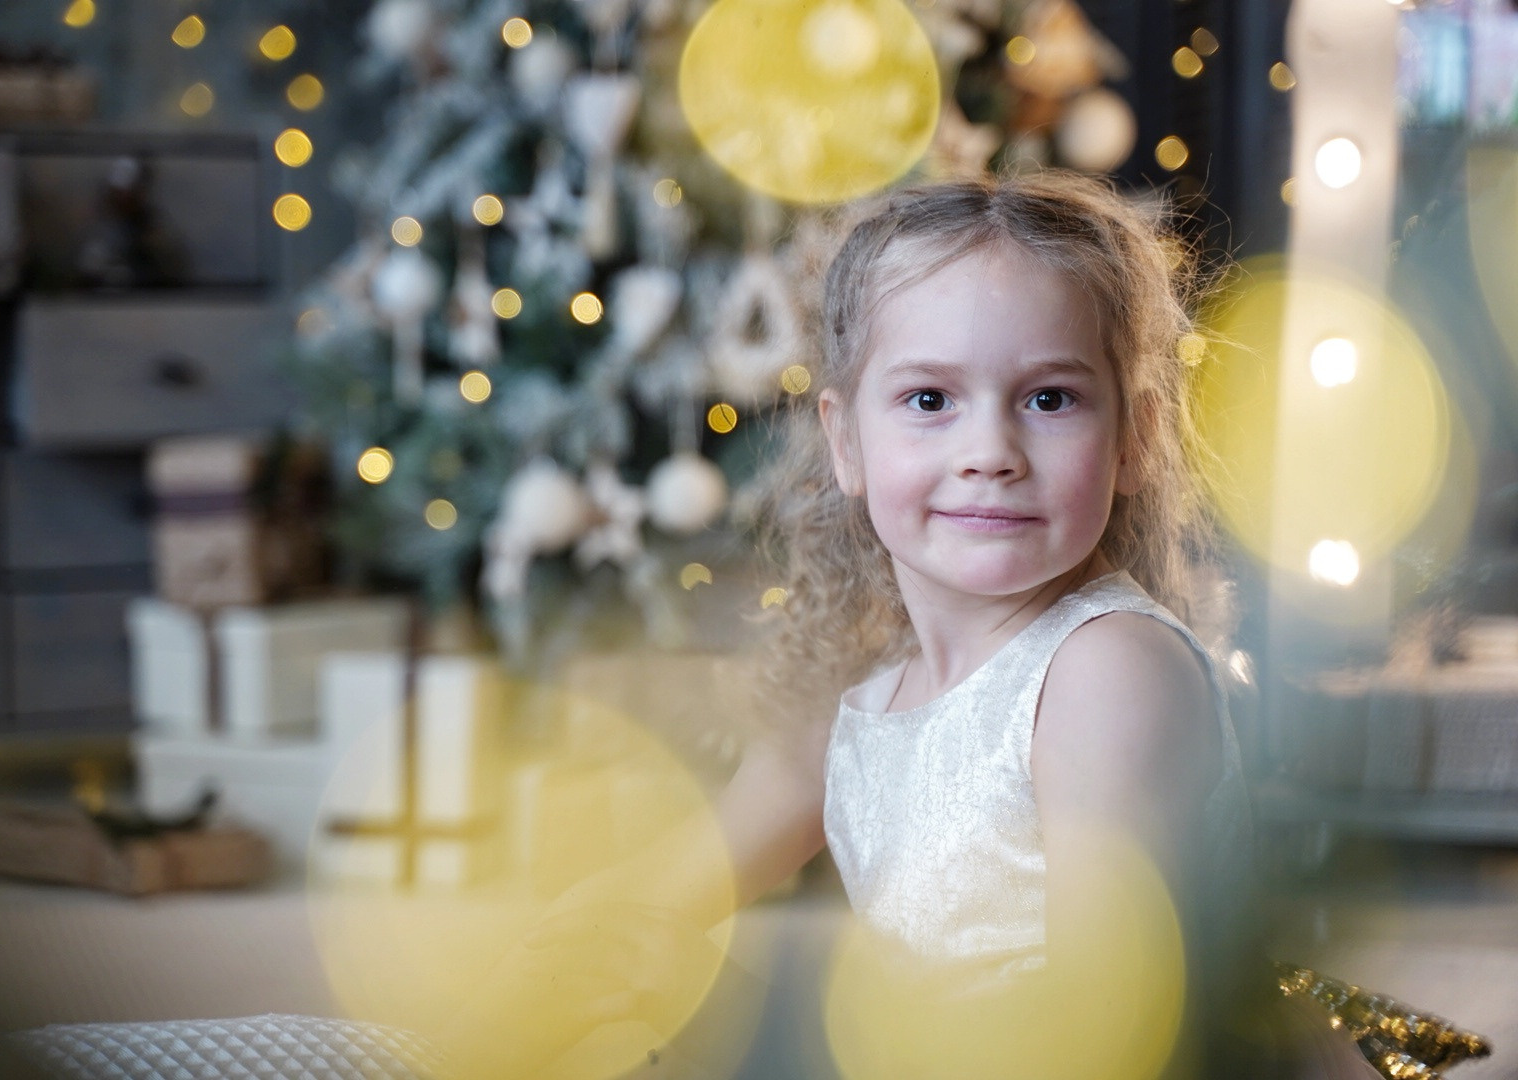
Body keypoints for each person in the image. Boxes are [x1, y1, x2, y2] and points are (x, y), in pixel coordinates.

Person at [437, 172, 1376, 1079]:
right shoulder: (865, 704)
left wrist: (745, 1021)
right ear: (846, 442)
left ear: (1133, 437)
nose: (990, 453)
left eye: (1050, 398)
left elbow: (1109, 1020)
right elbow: (645, 902)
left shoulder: (1107, 669)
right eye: (930, 400)